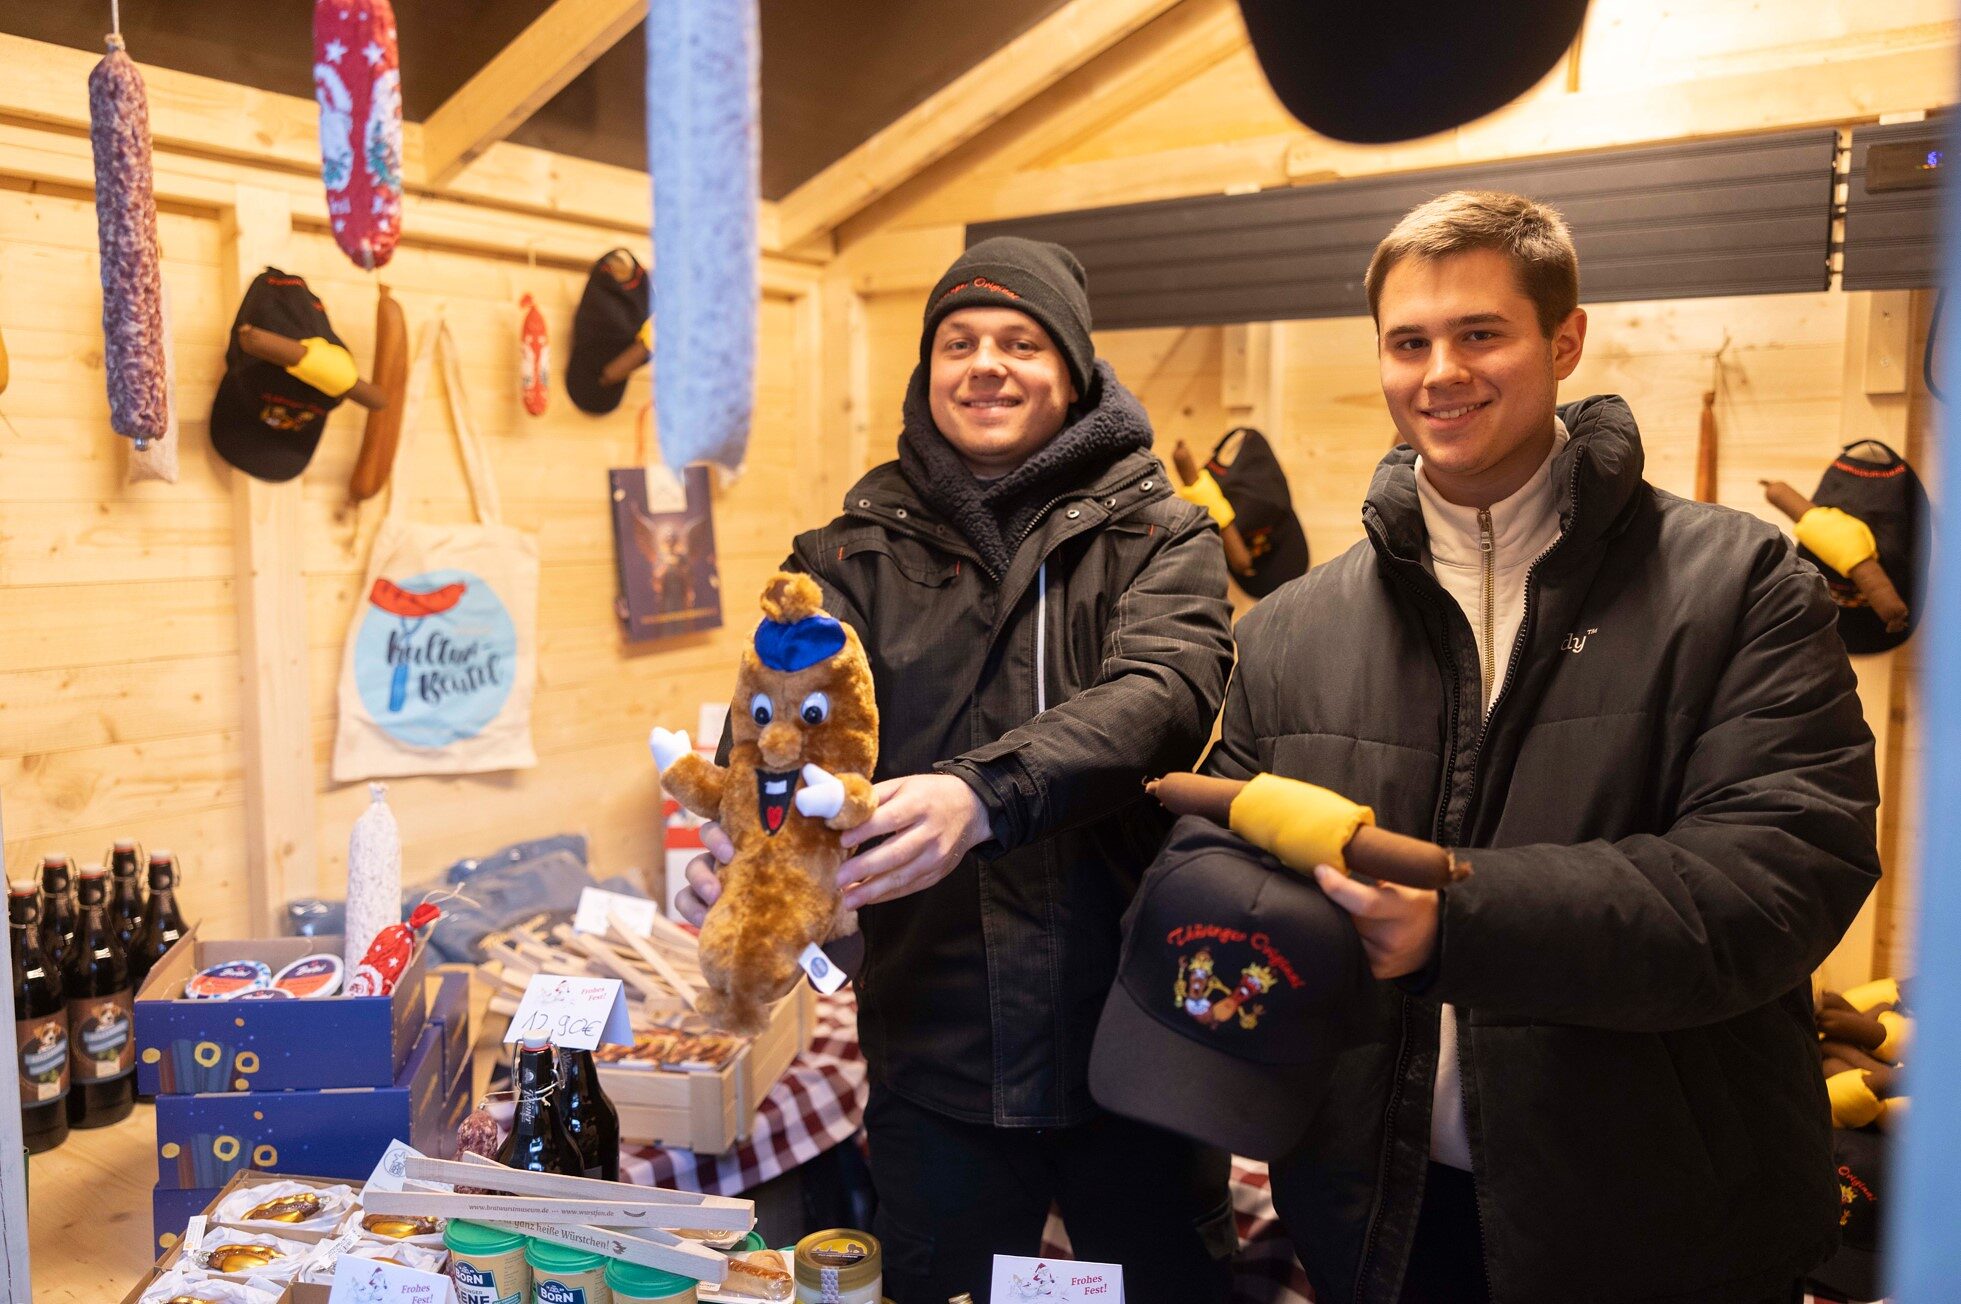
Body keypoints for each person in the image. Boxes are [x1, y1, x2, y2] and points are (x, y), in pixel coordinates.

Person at [1202, 191, 1880, 1304]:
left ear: (1562, 340)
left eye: (1479, 333)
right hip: (1376, 1214)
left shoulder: (1739, 585)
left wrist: (1457, 919)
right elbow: (1233, 855)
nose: (1438, 372)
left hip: (1662, 1222)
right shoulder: (1288, 626)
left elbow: (1779, 872)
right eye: (1407, 341)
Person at [678, 237, 1239, 1304]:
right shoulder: (841, 560)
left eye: (1019, 342)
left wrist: (981, 795)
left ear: (1070, 370)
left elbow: (1163, 697)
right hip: (936, 1046)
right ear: (926, 370)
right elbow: (781, 731)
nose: (985, 363)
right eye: (958, 341)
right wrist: (753, 856)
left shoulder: (1163, 534)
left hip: (1136, 1038)